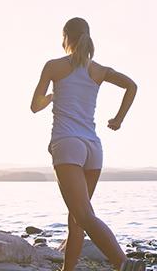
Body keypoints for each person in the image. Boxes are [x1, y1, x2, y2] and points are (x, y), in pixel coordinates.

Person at [30, 17, 144, 271]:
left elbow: (34, 106)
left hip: (68, 144)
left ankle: (123, 263)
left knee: (82, 215)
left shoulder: (54, 66)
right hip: (93, 149)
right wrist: (118, 119)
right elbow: (131, 86)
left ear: (65, 38)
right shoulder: (99, 70)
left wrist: (50, 98)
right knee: (77, 220)